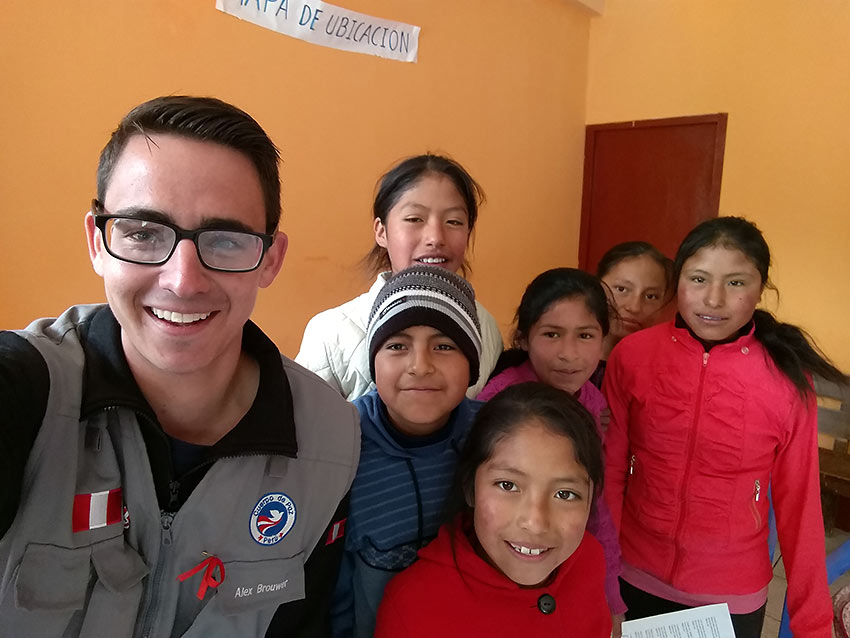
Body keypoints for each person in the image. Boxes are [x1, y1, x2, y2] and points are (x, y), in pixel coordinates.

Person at [0, 96, 360, 637]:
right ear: (98, 242)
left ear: (270, 258)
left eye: (225, 239)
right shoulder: (28, 391)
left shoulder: (328, 438)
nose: (183, 280)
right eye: (143, 233)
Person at [603, 217, 848, 638]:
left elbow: (800, 509)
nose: (713, 299)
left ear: (762, 289)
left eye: (736, 283)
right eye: (698, 279)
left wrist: (812, 626)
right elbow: (609, 476)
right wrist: (602, 574)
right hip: (634, 572)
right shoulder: (633, 357)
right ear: (677, 281)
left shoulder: (786, 381)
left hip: (730, 594)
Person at [374, 382, 611, 638]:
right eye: (508, 485)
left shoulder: (589, 560)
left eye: (565, 494)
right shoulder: (413, 605)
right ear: (470, 487)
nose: (535, 522)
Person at [332, 265, 484, 638]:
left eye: (444, 346)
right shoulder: (339, 445)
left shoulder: (494, 439)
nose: (420, 366)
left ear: (472, 364)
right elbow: (325, 578)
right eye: (397, 345)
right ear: (374, 361)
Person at [476, 267, 627, 630]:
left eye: (586, 335)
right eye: (552, 334)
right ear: (523, 338)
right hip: (502, 568)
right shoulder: (497, 405)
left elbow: (595, 505)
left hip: (563, 562)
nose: (569, 354)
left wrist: (611, 595)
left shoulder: (591, 400)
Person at [295, 154, 503, 400]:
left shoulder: (485, 326)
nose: (435, 237)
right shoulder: (331, 333)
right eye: (415, 219)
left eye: (454, 221)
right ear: (381, 232)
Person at [591, 241, 672, 388]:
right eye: (621, 289)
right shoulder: (563, 361)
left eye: (651, 296)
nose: (634, 307)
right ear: (596, 286)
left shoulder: (663, 374)